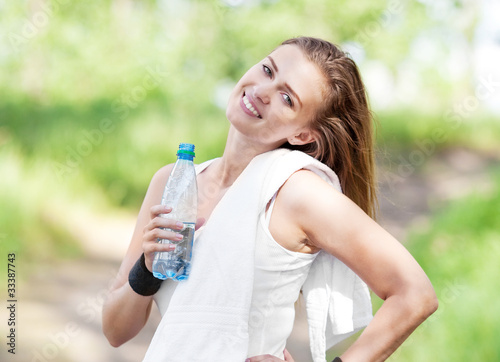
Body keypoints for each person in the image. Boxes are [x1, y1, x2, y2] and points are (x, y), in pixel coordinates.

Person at [102, 36, 438, 362]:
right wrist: (147, 268)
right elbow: (116, 331)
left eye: (287, 98)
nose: (263, 92)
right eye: (268, 70)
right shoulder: (171, 182)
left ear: (303, 134)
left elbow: (414, 294)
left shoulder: (295, 192)